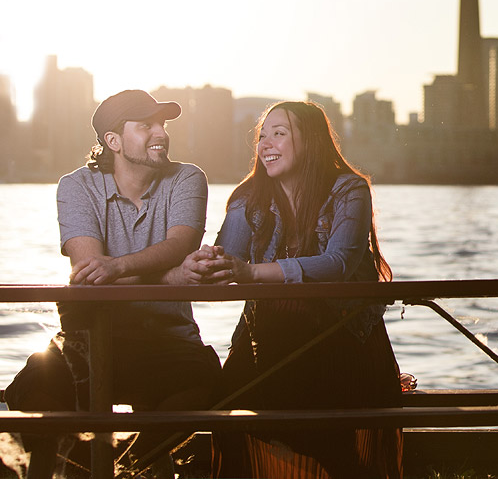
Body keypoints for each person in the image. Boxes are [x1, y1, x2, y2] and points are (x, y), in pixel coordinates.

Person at [4, 89, 223, 478]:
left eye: (163, 124)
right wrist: (170, 276)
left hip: (169, 340)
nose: (161, 133)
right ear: (113, 141)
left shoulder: (188, 177)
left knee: (204, 386)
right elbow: (92, 273)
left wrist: (118, 267)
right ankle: (77, 468)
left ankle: (129, 467)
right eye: (147, 126)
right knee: (34, 393)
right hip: (87, 343)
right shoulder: (76, 186)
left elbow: (179, 245)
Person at [180, 101, 402, 479]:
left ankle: (338, 462)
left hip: (341, 337)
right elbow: (229, 258)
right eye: (262, 135)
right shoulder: (247, 198)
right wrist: (205, 264)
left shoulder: (349, 190)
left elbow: (338, 264)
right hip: (268, 339)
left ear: (311, 140)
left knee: (301, 401)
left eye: (279, 133)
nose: (266, 142)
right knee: (226, 403)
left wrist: (250, 273)